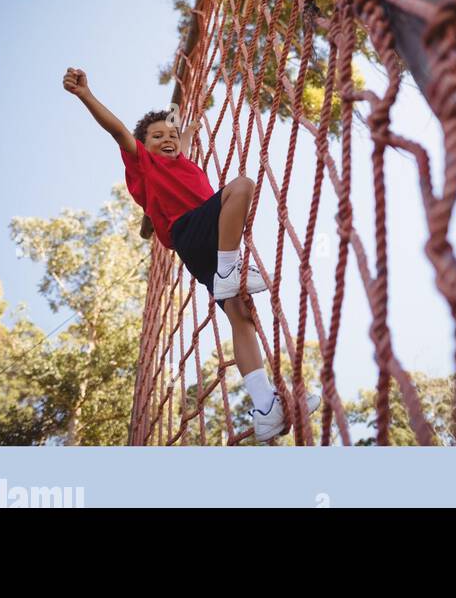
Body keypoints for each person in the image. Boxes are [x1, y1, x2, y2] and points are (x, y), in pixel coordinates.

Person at [62, 66, 320, 443]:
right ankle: (230, 270)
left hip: (208, 249)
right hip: (194, 232)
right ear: (142, 146)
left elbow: (179, 135)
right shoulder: (144, 164)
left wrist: (185, 126)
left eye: (170, 137)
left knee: (242, 315)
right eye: (155, 137)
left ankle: (265, 407)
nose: (166, 140)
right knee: (242, 186)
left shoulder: (180, 157)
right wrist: (86, 94)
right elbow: (118, 130)